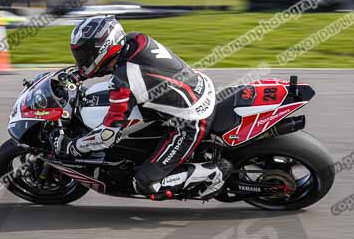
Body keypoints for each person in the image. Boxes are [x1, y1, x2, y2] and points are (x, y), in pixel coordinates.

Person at [57, 15, 230, 198]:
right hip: (197, 88)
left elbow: (107, 135)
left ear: (103, 48)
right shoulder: (135, 39)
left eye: (85, 53)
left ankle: (214, 172)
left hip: (191, 120)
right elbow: (109, 68)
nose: (82, 58)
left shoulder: (124, 80)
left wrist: (74, 146)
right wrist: (78, 75)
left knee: (145, 183)